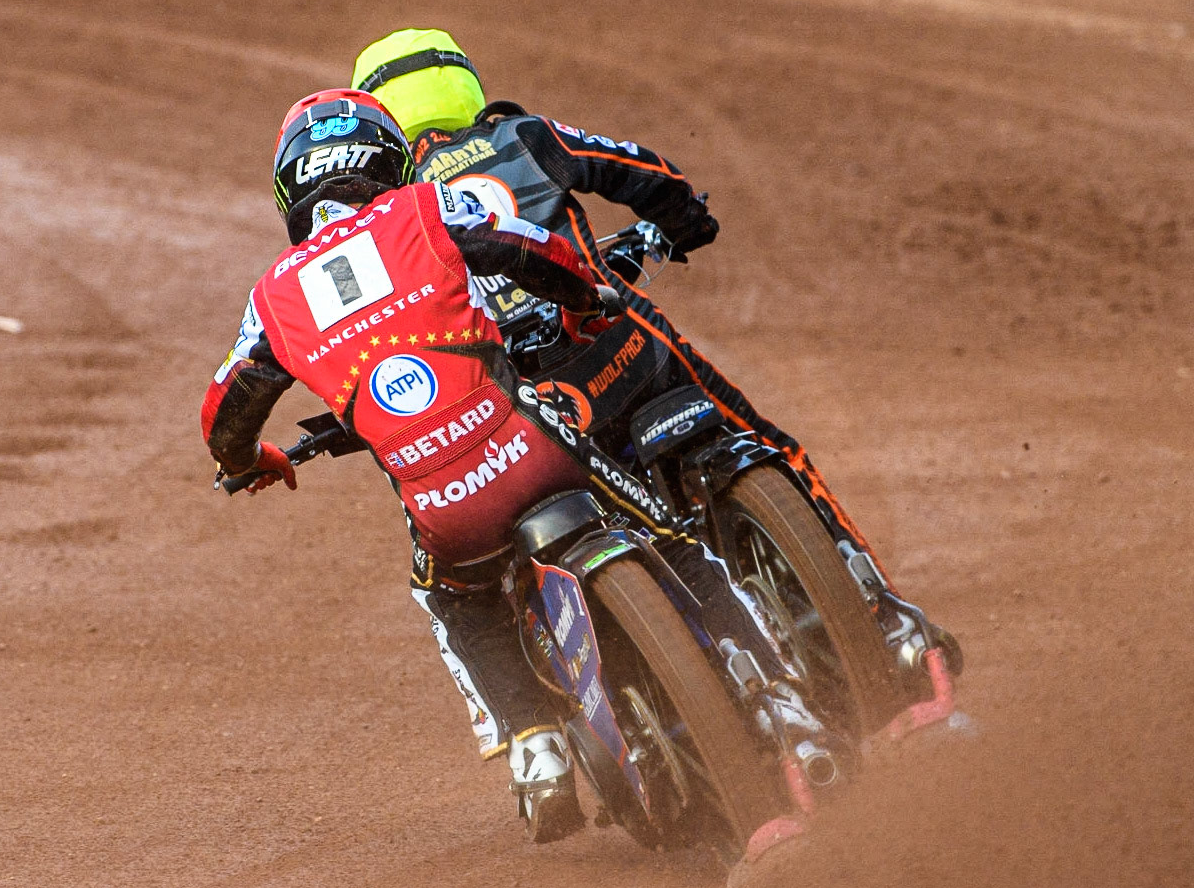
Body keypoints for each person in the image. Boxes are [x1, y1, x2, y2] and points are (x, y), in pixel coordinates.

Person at [202, 88, 625, 843]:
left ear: (289, 194)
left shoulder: (272, 295)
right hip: (534, 449)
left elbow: (225, 406)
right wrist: (585, 298)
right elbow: (528, 247)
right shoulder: (424, 208)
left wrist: (251, 457)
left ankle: (534, 744)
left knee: (455, 595)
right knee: (632, 494)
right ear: (390, 159)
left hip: (448, 510)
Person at [348, 30, 885, 574]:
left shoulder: (391, 220)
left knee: (519, 552)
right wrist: (686, 223)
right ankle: (882, 607)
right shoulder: (525, 136)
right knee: (768, 443)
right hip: (616, 339)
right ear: (462, 84)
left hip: (528, 399)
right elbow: (646, 171)